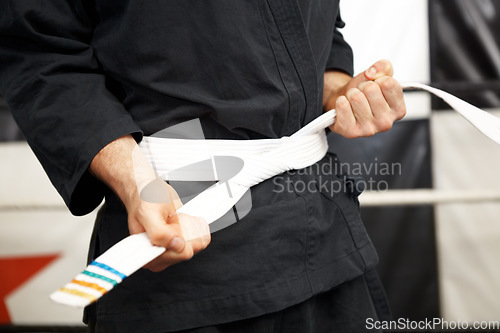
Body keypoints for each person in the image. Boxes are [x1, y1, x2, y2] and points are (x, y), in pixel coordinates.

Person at [0, 1, 405, 332]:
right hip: (182, 242)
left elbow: (320, 28)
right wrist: (136, 181)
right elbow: (40, 49)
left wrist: (339, 91)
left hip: (328, 242)